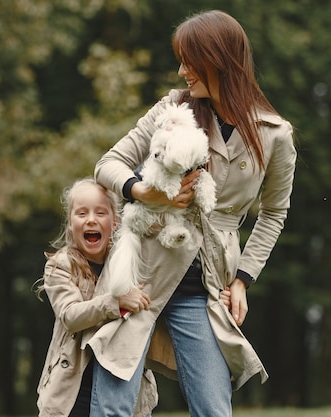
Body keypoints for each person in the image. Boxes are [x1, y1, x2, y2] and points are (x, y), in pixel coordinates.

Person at [85, 9, 296, 417]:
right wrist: (144, 191)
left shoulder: (275, 134)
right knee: (113, 407)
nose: (182, 71)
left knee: (214, 408)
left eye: (190, 60)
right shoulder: (173, 109)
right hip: (141, 274)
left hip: (208, 287)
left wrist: (243, 280)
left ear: (219, 60)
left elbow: (273, 213)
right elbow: (109, 163)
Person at [35, 177, 157, 417]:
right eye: (81, 213)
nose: (91, 219)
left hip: (124, 389)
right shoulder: (61, 266)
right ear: (70, 224)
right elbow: (71, 315)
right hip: (73, 394)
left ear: (115, 222)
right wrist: (117, 302)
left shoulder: (132, 263)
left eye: (100, 212)